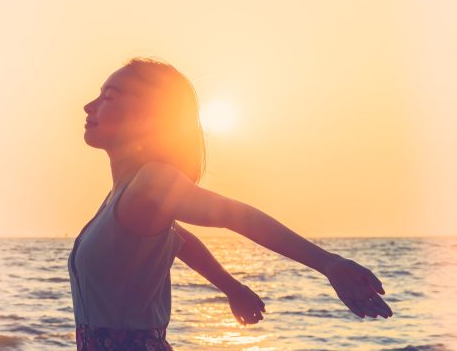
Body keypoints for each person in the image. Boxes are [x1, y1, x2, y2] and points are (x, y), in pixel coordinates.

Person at [71, 57, 393, 350]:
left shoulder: (151, 181)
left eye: (108, 97)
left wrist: (328, 264)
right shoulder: (123, 195)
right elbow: (178, 240)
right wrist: (230, 287)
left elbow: (230, 214)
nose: (89, 106)